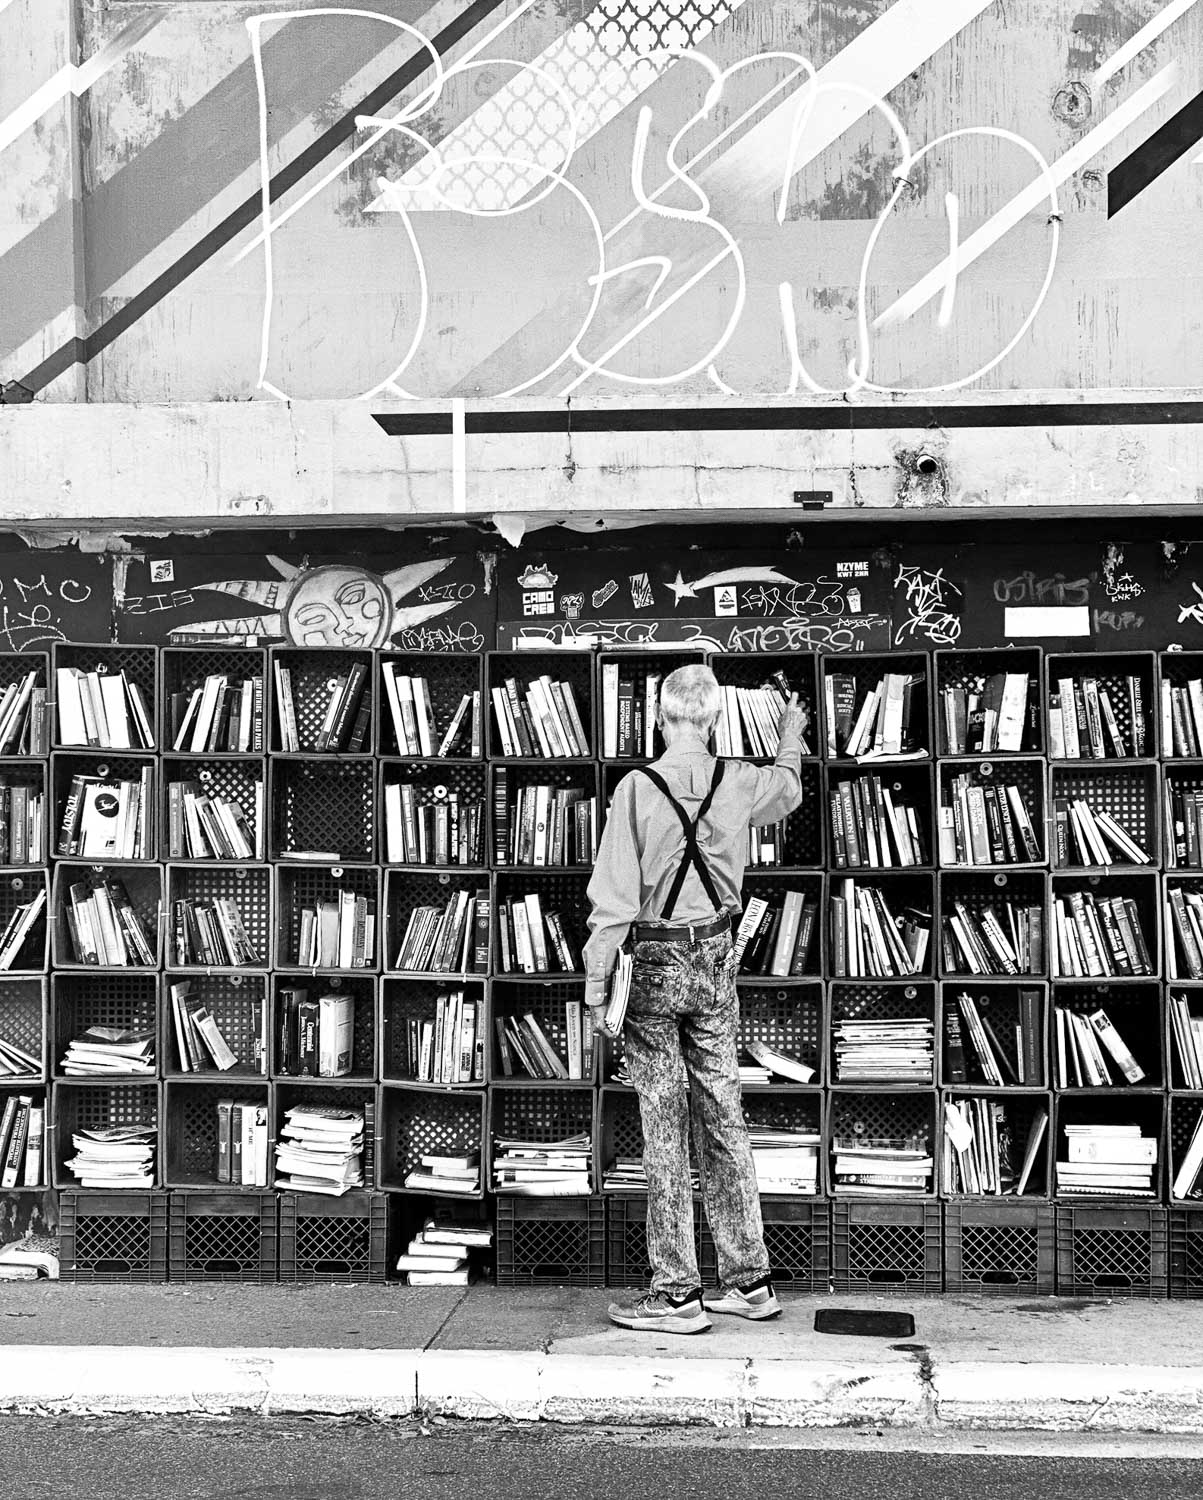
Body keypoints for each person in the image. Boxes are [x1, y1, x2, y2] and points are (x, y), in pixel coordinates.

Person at [584, 663, 809, 1334]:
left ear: (660, 717)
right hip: (714, 955)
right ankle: (749, 1281)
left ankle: (676, 1294)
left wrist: (598, 985)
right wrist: (789, 733)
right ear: (714, 720)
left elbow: (614, 896)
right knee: (723, 1111)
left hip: (650, 958)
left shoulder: (634, 788)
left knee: (663, 1120)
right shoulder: (739, 779)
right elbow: (789, 791)